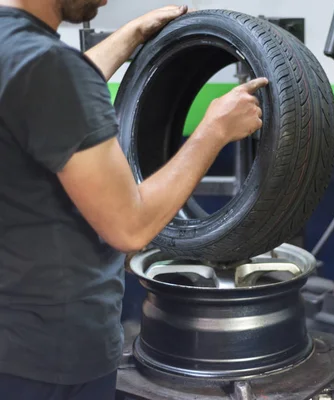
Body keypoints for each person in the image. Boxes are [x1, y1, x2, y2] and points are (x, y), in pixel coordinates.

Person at [0, 0, 269, 398]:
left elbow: (41, 95)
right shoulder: (48, 67)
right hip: (53, 356)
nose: (107, 1)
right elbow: (130, 226)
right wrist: (214, 130)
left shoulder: (17, 52)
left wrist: (125, 40)